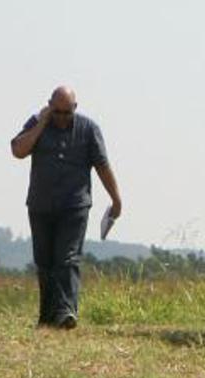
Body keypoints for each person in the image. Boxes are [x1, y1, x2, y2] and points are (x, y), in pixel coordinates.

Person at [11, 86, 122, 329]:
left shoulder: (89, 129)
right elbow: (19, 150)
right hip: (41, 205)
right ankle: (47, 317)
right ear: (50, 106)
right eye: (57, 112)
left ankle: (66, 312)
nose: (61, 117)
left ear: (75, 108)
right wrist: (41, 123)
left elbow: (103, 166)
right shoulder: (37, 122)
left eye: (66, 112)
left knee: (67, 258)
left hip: (74, 205)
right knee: (45, 262)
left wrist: (116, 199)